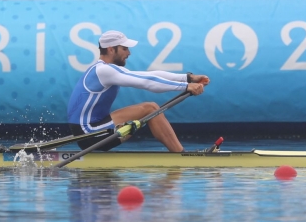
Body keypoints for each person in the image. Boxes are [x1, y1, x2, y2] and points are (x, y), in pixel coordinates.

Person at [66, 30, 209, 153]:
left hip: (90, 129)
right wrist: (185, 87)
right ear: (111, 49)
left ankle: (180, 153)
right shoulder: (103, 70)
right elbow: (147, 82)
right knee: (151, 108)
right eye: (125, 48)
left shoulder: (106, 69)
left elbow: (148, 75)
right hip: (89, 134)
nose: (129, 53)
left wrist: (188, 78)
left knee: (151, 109)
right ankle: (182, 155)